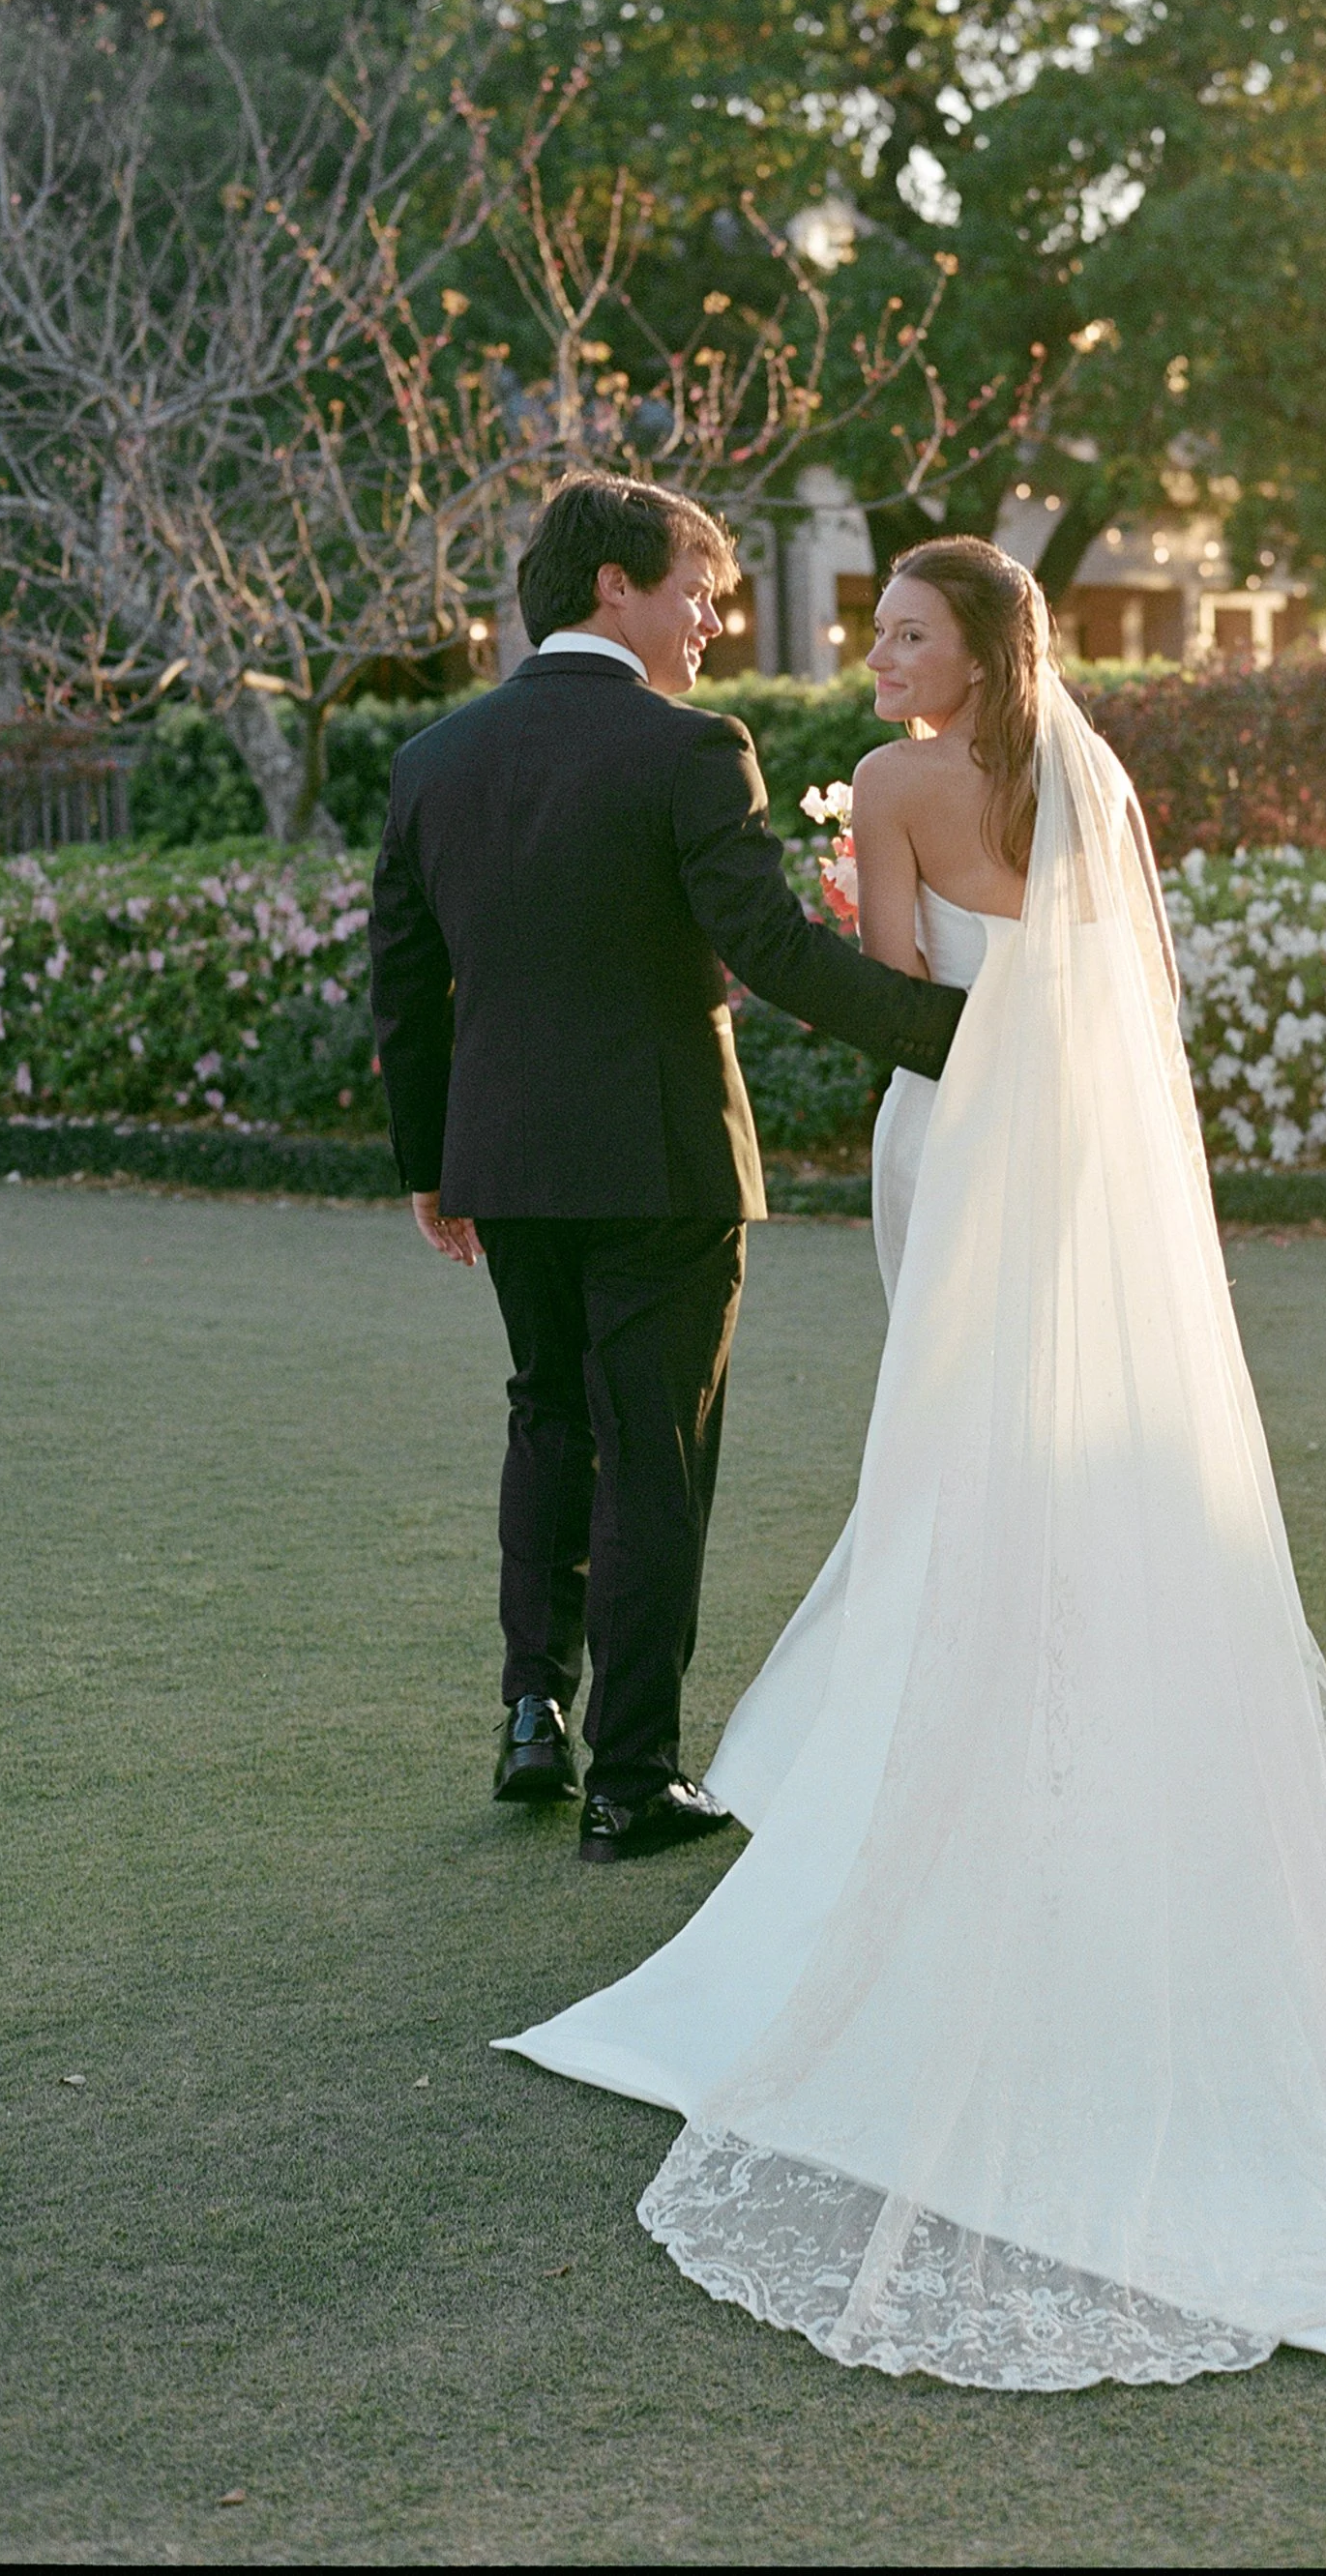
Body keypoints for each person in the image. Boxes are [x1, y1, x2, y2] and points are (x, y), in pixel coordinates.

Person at [496, 537, 1326, 2389]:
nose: (873, 657)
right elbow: (1120, 1009)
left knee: (950, 1458)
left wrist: (901, 944)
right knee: (1077, 1449)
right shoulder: (1084, 787)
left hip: (954, 1137)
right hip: (1080, 1158)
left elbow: (886, 987)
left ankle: (959, 1761)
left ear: (974, 650)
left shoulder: (893, 786)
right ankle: (1081, 1743)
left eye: (903, 633)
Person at [367, 473, 967, 1865]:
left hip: (504, 1158)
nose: (713, 612)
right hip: (664, 1159)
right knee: (657, 1454)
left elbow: (404, 987)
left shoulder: (434, 760)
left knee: (547, 1417)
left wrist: (429, 1162)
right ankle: (630, 1778)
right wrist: (963, 1029)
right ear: (611, 586)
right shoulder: (691, 746)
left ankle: (532, 1713)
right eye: (695, 583)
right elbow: (769, 948)